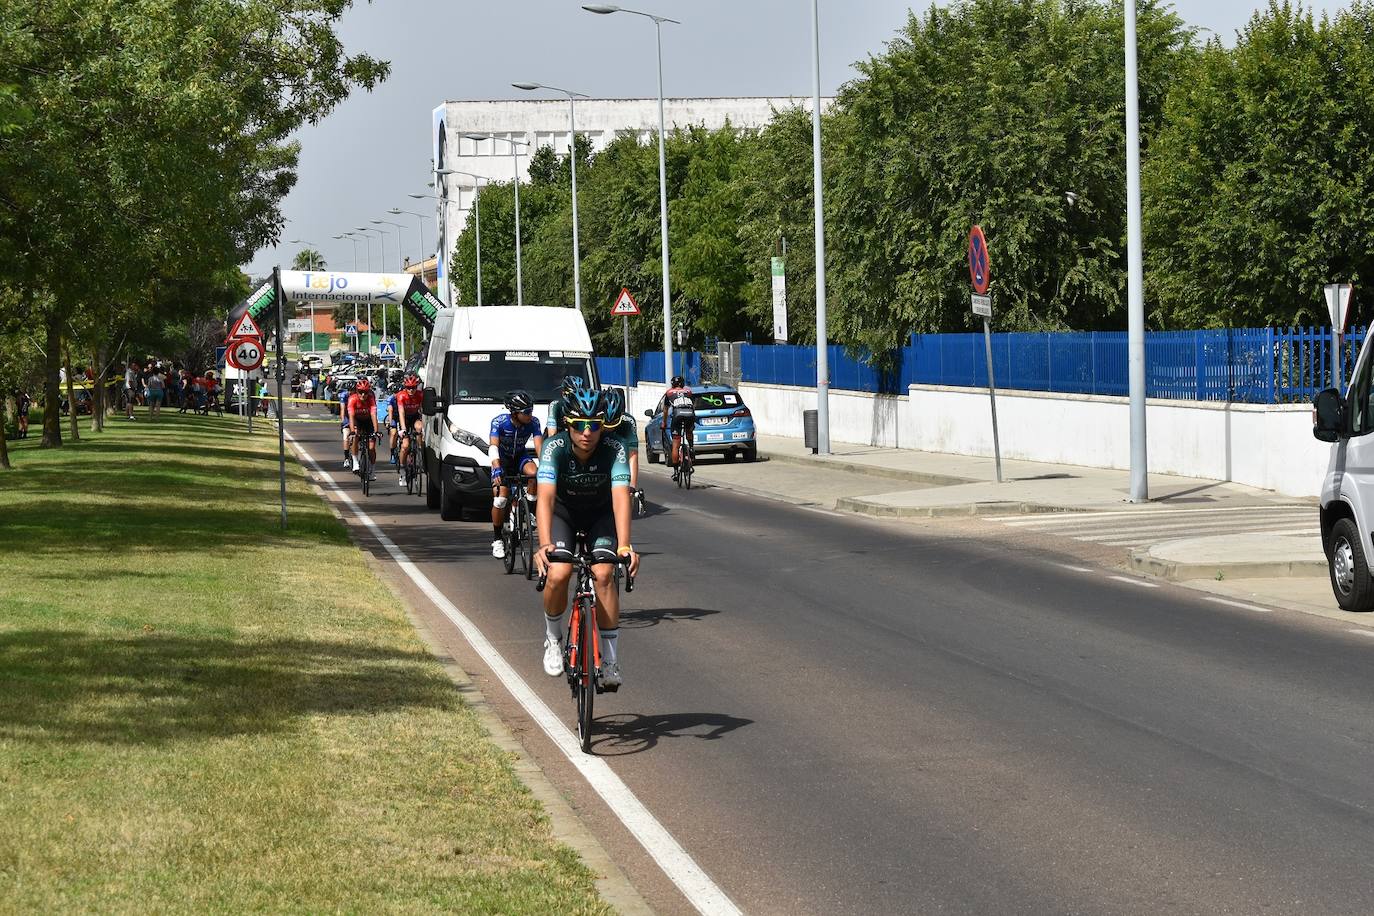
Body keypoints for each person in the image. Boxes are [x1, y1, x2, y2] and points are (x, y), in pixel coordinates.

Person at [534, 385, 639, 689]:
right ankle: (553, 640)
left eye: (594, 425)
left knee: (605, 574)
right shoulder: (555, 448)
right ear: (568, 423)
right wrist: (543, 543)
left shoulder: (614, 448)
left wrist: (625, 545)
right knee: (559, 572)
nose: (587, 432)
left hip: (599, 515)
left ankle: (609, 661)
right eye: (579, 425)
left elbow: (621, 497)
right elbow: (546, 499)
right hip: (564, 514)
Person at [488, 389, 542, 559]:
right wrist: (496, 467)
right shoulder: (499, 422)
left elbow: (540, 447)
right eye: (526, 412)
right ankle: (497, 539)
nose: (530, 415)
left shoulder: (533, 422)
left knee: (535, 475)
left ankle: (529, 511)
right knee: (501, 498)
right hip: (502, 460)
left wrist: (545, 465)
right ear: (514, 412)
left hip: (520, 456)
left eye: (531, 411)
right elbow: (493, 446)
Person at [602, 387, 644, 508]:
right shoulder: (594, 419)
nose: (609, 429)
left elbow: (632, 456)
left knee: (626, 502)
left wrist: (632, 486)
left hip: (619, 454)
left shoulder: (628, 421)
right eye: (606, 426)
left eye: (613, 425)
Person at [660, 374, 695, 476]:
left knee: (675, 445)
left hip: (678, 416)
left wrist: (664, 423)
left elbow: (665, 410)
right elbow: (692, 406)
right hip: (690, 415)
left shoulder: (669, 393)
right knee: (689, 431)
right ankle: (692, 448)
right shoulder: (688, 391)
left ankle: (675, 472)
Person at [395, 374, 425, 486]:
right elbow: (401, 413)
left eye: (413, 388)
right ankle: (402, 471)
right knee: (405, 446)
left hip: (414, 417)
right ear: (405, 387)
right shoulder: (401, 396)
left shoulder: (420, 395)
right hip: (404, 419)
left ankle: (419, 450)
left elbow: (422, 411)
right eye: (408, 388)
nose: (411, 390)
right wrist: (403, 429)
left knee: (419, 428)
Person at [346, 378, 378, 480]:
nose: (363, 395)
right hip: (357, 421)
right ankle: (355, 460)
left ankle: (372, 470)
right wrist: (351, 431)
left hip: (368, 422)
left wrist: (376, 431)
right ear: (357, 392)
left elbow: (373, 415)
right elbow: (351, 417)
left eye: (365, 392)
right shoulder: (352, 399)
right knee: (355, 435)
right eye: (360, 392)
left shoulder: (371, 399)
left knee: (371, 448)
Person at [337, 380, 356, 468]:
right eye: (348, 390)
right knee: (346, 437)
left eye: (352, 390)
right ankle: (346, 459)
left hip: (357, 417)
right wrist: (343, 421)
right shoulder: (344, 395)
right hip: (347, 417)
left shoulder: (358, 395)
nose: (350, 392)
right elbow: (342, 409)